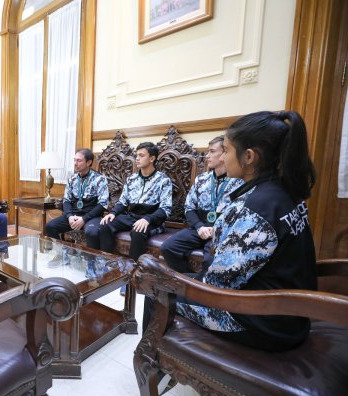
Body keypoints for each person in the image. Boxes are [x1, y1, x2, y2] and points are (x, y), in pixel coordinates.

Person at [175, 111, 317, 351]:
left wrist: (172, 281)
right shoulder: (287, 192)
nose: (223, 158)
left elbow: (216, 287)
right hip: (290, 313)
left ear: (249, 156)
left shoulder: (254, 209)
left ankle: (160, 358)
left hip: (262, 322)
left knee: (157, 292)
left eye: (227, 150)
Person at [160, 136, 243, 275]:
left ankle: (202, 289)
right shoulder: (202, 179)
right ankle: (188, 280)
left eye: (211, 151)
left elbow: (239, 214)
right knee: (168, 247)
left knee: (211, 259)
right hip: (200, 226)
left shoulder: (238, 182)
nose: (207, 156)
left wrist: (215, 229)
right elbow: (189, 207)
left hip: (223, 231)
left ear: (224, 154)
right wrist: (199, 227)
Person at [99, 142, 172, 294]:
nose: (137, 159)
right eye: (136, 155)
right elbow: (123, 202)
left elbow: (165, 209)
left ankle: (133, 277)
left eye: (141, 155)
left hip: (152, 219)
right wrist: (113, 213)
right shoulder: (132, 179)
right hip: (131, 216)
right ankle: (110, 269)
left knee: (137, 232)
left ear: (152, 158)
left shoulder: (163, 180)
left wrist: (148, 219)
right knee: (106, 225)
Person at [45, 148, 109, 249]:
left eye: (79, 161)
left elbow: (103, 204)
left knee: (92, 233)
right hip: (74, 216)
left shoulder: (99, 179)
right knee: (50, 226)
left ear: (89, 162)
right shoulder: (72, 179)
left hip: (91, 217)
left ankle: (91, 262)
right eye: (74, 160)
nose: (75, 163)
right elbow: (66, 200)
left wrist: (84, 219)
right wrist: (69, 216)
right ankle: (60, 254)